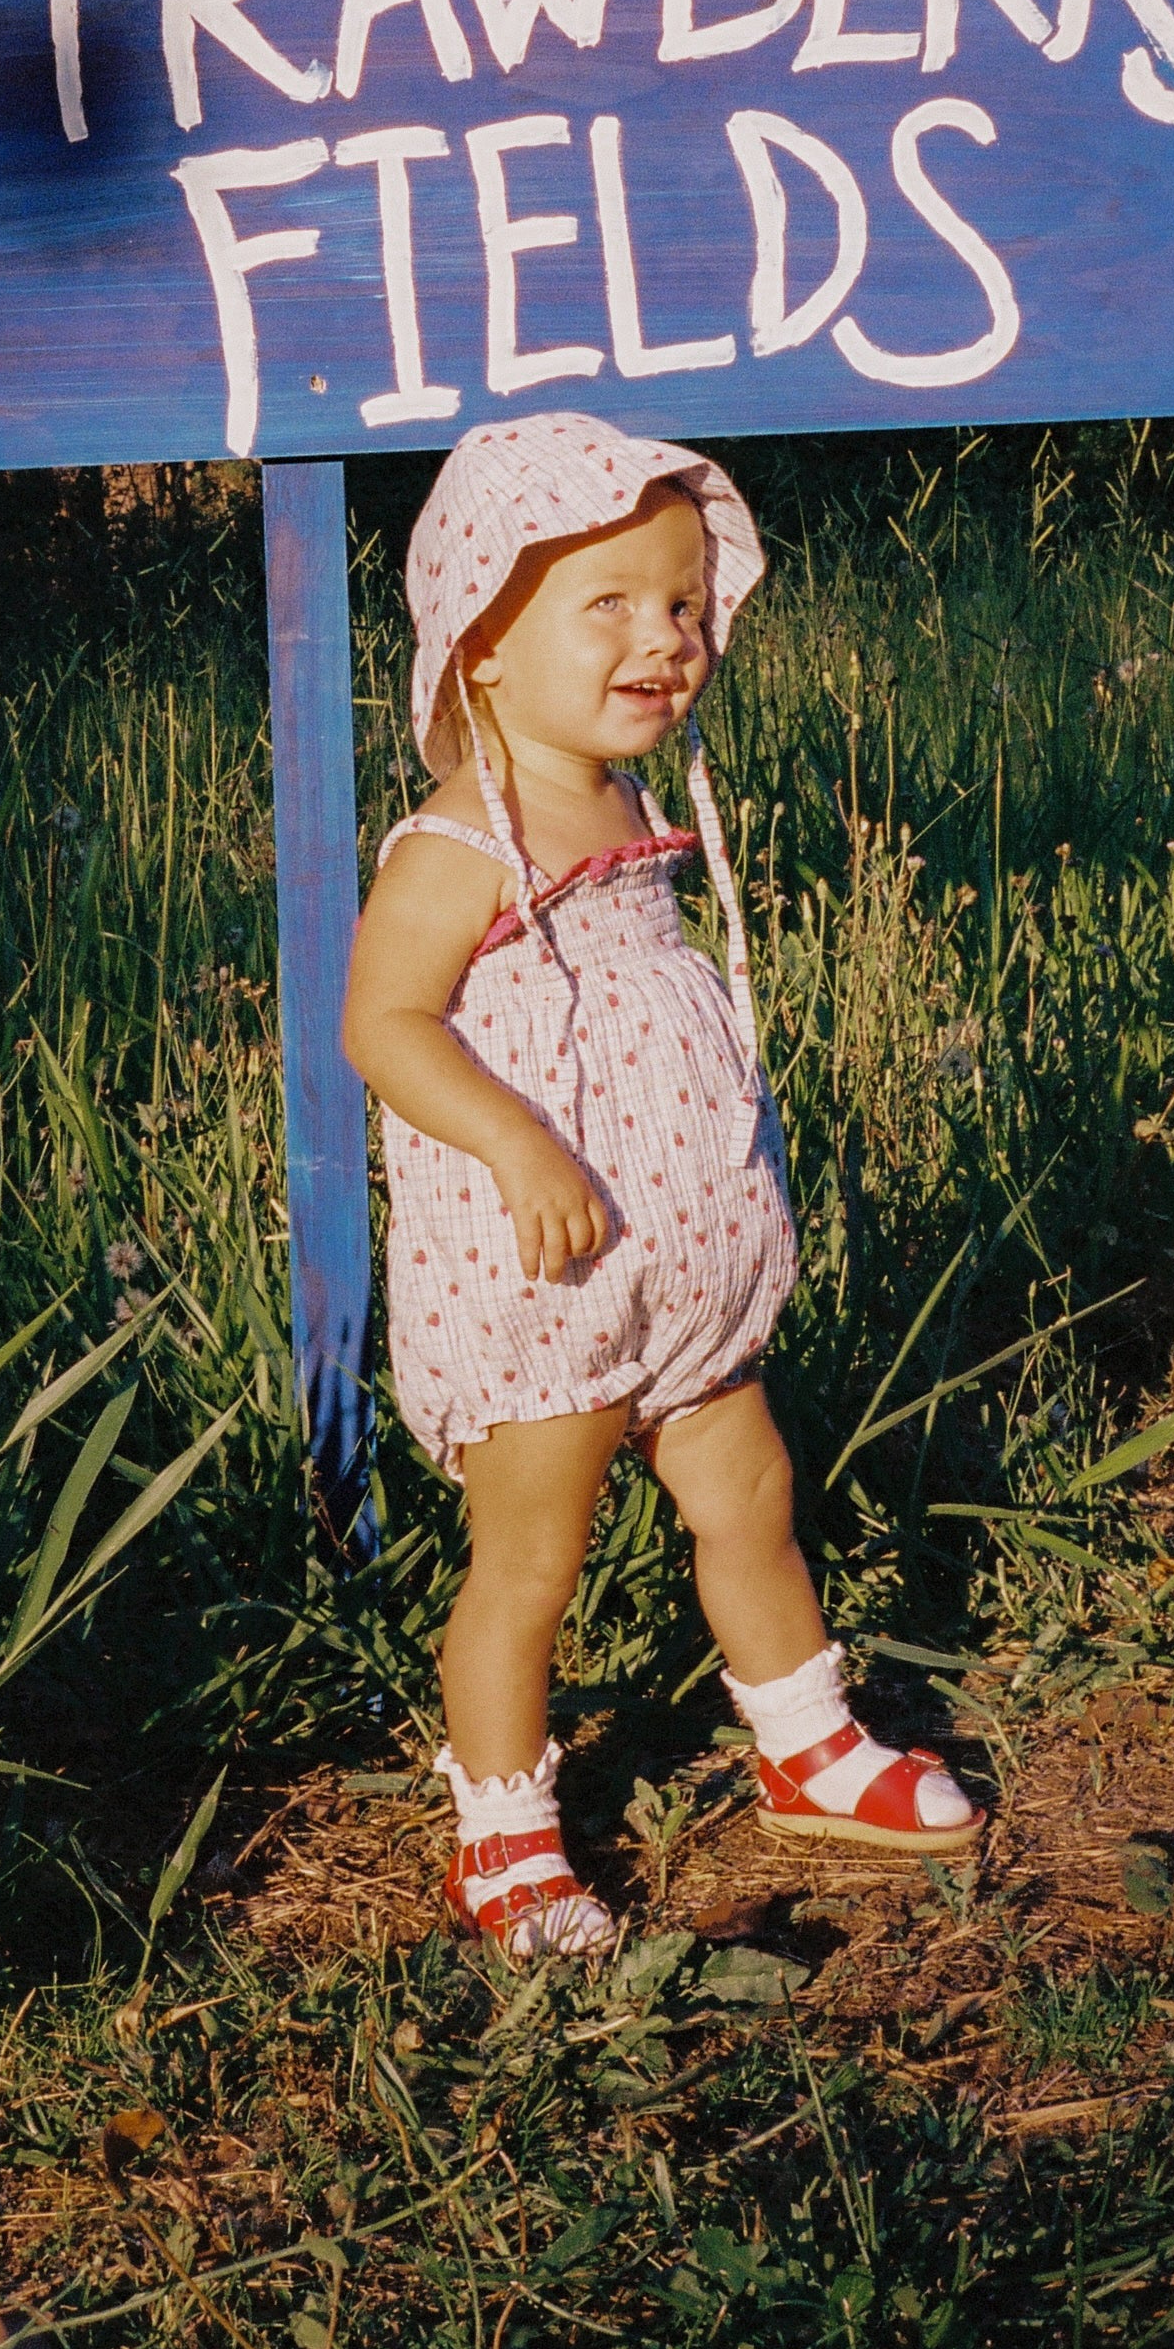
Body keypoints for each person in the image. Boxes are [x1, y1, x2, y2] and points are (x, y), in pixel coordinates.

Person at [342, 413, 983, 1957]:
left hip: (681, 1267)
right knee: (533, 1559)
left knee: (750, 1492)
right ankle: (503, 1830)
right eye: (611, 604)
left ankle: (808, 1739)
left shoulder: (629, 807)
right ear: (482, 644)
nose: (669, 638)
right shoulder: (455, 840)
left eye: (687, 603)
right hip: (550, 1279)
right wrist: (516, 1141)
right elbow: (382, 1021)